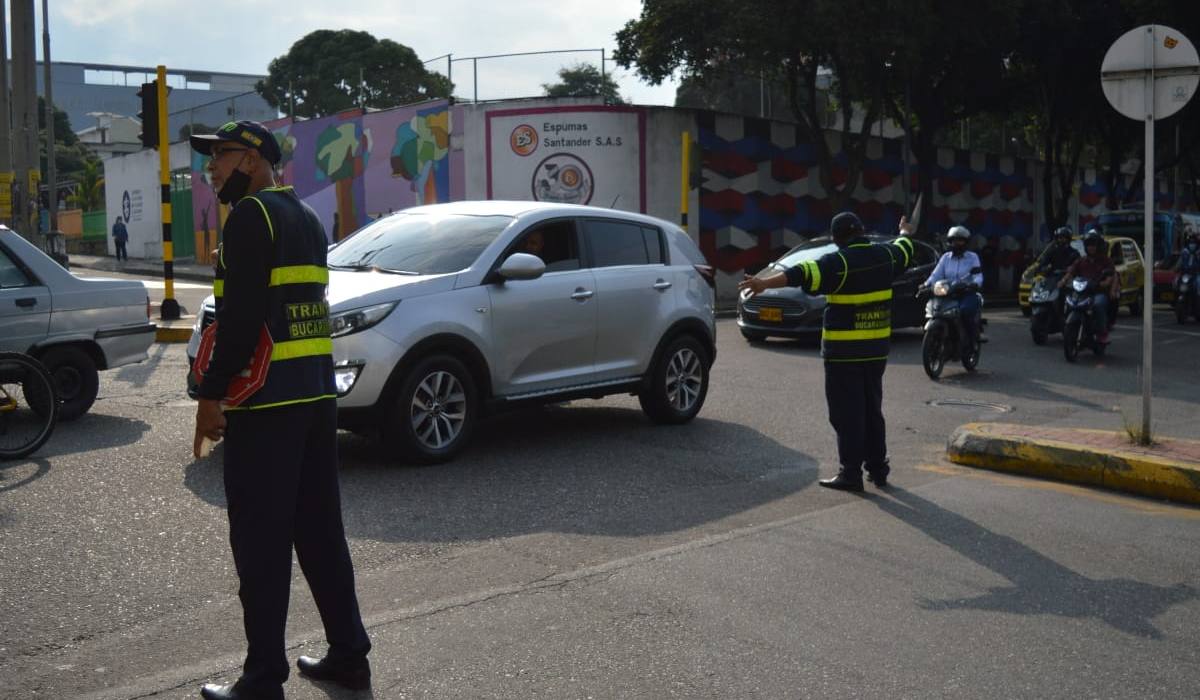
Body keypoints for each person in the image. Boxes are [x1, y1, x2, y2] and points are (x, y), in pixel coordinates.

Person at [190, 120, 371, 700]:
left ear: (251, 160)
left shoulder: (250, 217)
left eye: (220, 156)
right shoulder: (307, 217)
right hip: (315, 399)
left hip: (266, 407)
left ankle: (262, 679)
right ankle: (348, 656)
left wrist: (210, 396)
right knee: (321, 537)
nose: (211, 168)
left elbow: (240, 322)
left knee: (261, 547)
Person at [738, 212, 914, 492]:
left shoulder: (838, 262)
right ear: (862, 231)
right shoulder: (886, 257)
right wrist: (904, 231)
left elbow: (800, 273)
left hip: (844, 353)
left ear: (837, 238)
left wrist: (762, 283)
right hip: (876, 350)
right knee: (872, 410)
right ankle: (878, 470)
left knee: (847, 414)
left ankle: (851, 473)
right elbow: (906, 249)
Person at [923, 225, 984, 356]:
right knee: (936, 310)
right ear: (950, 242)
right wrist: (925, 284)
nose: (957, 243)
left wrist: (974, 284)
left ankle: (973, 339)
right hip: (947, 292)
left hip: (966, 293)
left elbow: (978, 275)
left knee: (966, 312)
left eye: (960, 240)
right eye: (954, 240)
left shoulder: (972, 257)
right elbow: (936, 275)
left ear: (966, 242)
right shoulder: (945, 258)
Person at [1060, 230, 1117, 343]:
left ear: (1098, 246)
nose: (1091, 247)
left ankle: (1102, 332)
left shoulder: (1106, 261)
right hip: (1082, 292)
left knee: (1098, 304)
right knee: (1069, 302)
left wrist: (1105, 283)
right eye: (1089, 245)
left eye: (1093, 245)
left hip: (1098, 292)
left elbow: (1111, 275)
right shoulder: (1081, 261)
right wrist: (1063, 280)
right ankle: (1069, 328)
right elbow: (1071, 272)